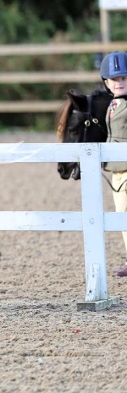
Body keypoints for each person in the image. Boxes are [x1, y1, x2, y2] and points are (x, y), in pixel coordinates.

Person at [100, 51, 127, 277]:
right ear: (107, 83)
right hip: (116, 169)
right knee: (121, 214)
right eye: (115, 79)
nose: (119, 82)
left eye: (124, 78)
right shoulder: (112, 105)